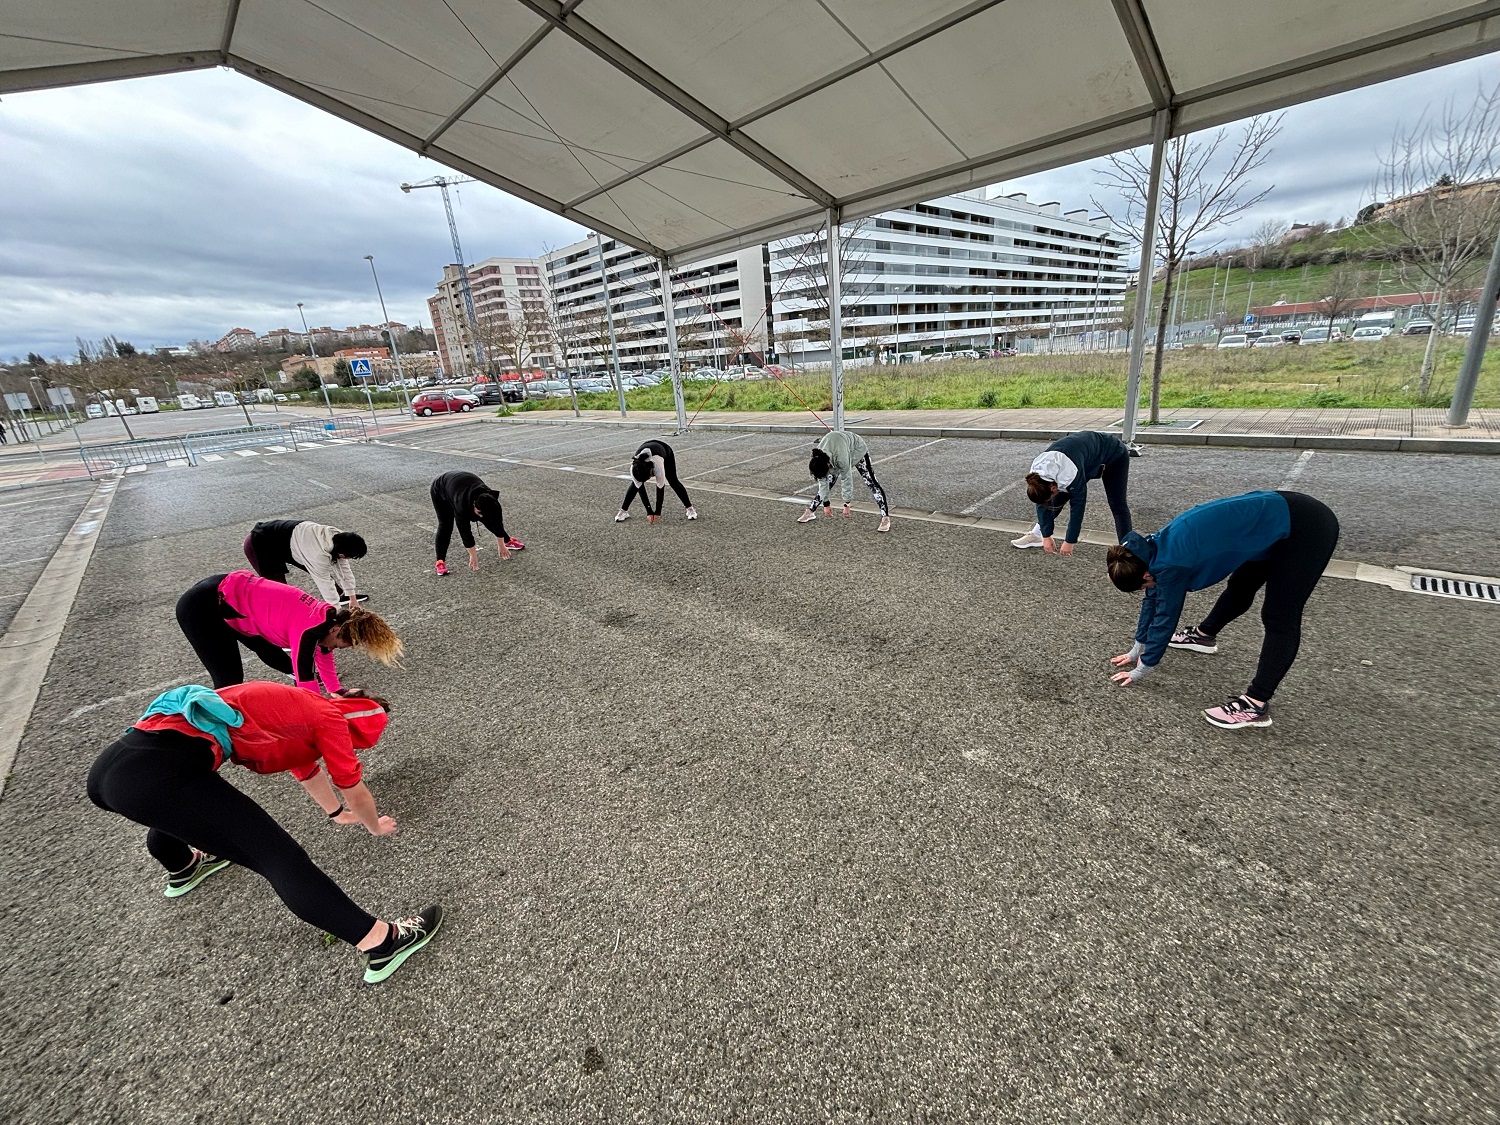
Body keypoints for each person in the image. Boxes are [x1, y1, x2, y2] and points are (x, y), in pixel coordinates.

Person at [87, 681, 441, 983]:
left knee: (181, 807)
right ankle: (382, 942)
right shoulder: (331, 720)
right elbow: (352, 786)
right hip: (151, 776)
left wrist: (336, 813)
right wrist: (374, 825)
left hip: (118, 765)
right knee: (280, 858)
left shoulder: (305, 706)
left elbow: (304, 767)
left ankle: (182, 865)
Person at [1105, 490, 1340, 730]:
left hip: (1306, 526)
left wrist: (1144, 667)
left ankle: (1255, 704)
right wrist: (1138, 648)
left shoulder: (1171, 564)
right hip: (1268, 523)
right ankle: (1204, 636)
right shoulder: (1146, 551)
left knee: (1279, 616)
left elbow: (1165, 615)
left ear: (1146, 575)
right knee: (1240, 587)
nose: (1147, 590)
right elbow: (1152, 599)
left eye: (1143, 586)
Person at [175, 570, 402, 694]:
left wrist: (337, 691)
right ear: (336, 630)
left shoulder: (327, 619)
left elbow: (323, 654)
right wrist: (319, 714)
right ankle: (206, 732)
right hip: (203, 607)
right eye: (342, 645)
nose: (338, 649)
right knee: (229, 681)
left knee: (266, 649)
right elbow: (306, 680)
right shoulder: (308, 630)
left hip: (233, 600)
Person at [1012, 431, 1140, 554]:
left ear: (1053, 487)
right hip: (1084, 455)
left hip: (1114, 453)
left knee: (1117, 504)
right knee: (1055, 501)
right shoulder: (1037, 474)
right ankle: (1037, 534)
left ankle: (1128, 550)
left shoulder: (1069, 473)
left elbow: (1077, 508)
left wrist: (1070, 541)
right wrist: (1047, 535)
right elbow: (1041, 502)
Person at [243, 519, 367, 605]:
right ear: (341, 554)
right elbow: (323, 581)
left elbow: (344, 569)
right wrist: (336, 612)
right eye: (348, 557)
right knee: (279, 586)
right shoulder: (317, 554)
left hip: (291, 540)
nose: (347, 560)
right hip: (261, 541)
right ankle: (284, 613)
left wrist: (352, 597)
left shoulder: (342, 539)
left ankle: (341, 596)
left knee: (321, 569)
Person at [430, 470, 526, 575]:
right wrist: (473, 555)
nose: (480, 516)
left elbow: (497, 522)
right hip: (440, 489)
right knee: (446, 524)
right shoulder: (461, 506)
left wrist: (501, 544)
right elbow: (465, 532)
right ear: (474, 504)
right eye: (479, 513)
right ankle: (440, 561)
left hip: (462, 483)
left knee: (488, 518)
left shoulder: (493, 502)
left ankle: (507, 541)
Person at [796, 429, 892, 533]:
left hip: (857, 449)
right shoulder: (818, 459)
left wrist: (847, 503)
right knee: (828, 482)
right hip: (836, 452)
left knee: (871, 482)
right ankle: (811, 511)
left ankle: (885, 518)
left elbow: (847, 478)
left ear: (828, 465)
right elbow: (823, 482)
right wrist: (826, 503)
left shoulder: (841, 458)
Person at [614, 439, 698, 523]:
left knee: (673, 481)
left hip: (665, 450)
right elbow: (641, 490)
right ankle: (623, 511)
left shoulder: (657, 465)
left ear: (651, 472)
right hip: (648, 448)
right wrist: (649, 512)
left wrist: (658, 512)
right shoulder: (634, 468)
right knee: (635, 485)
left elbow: (660, 489)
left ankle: (690, 508)